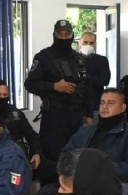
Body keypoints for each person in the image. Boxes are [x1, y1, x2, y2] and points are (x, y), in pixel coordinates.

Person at [25, 19, 94, 182]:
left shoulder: (78, 58)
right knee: (53, 162)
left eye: (67, 34)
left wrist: (89, 115)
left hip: (77, 118)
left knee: (76, 161)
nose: (64, 37)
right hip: (54, 118)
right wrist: (54, 86)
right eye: (60, 34)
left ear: (72, 35)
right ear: (54, 35)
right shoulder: (43, 57)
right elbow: (30, 84)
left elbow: (87, 88)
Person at [0, 80, 43, 173]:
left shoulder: (15, 113)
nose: (2, 98)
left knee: (54, 170)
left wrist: (37, 153)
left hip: (21, 154)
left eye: (5, 95)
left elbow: (31, 134)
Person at [79, 32, 111, 116]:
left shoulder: (102, 60)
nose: (88, 45)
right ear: (80, 42)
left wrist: (83, 77)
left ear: (95, 44)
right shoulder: (72, 59)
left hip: (95, 106)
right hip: (75, 107)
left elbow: (104, 80)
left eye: (91, 43)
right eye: (85, 42)